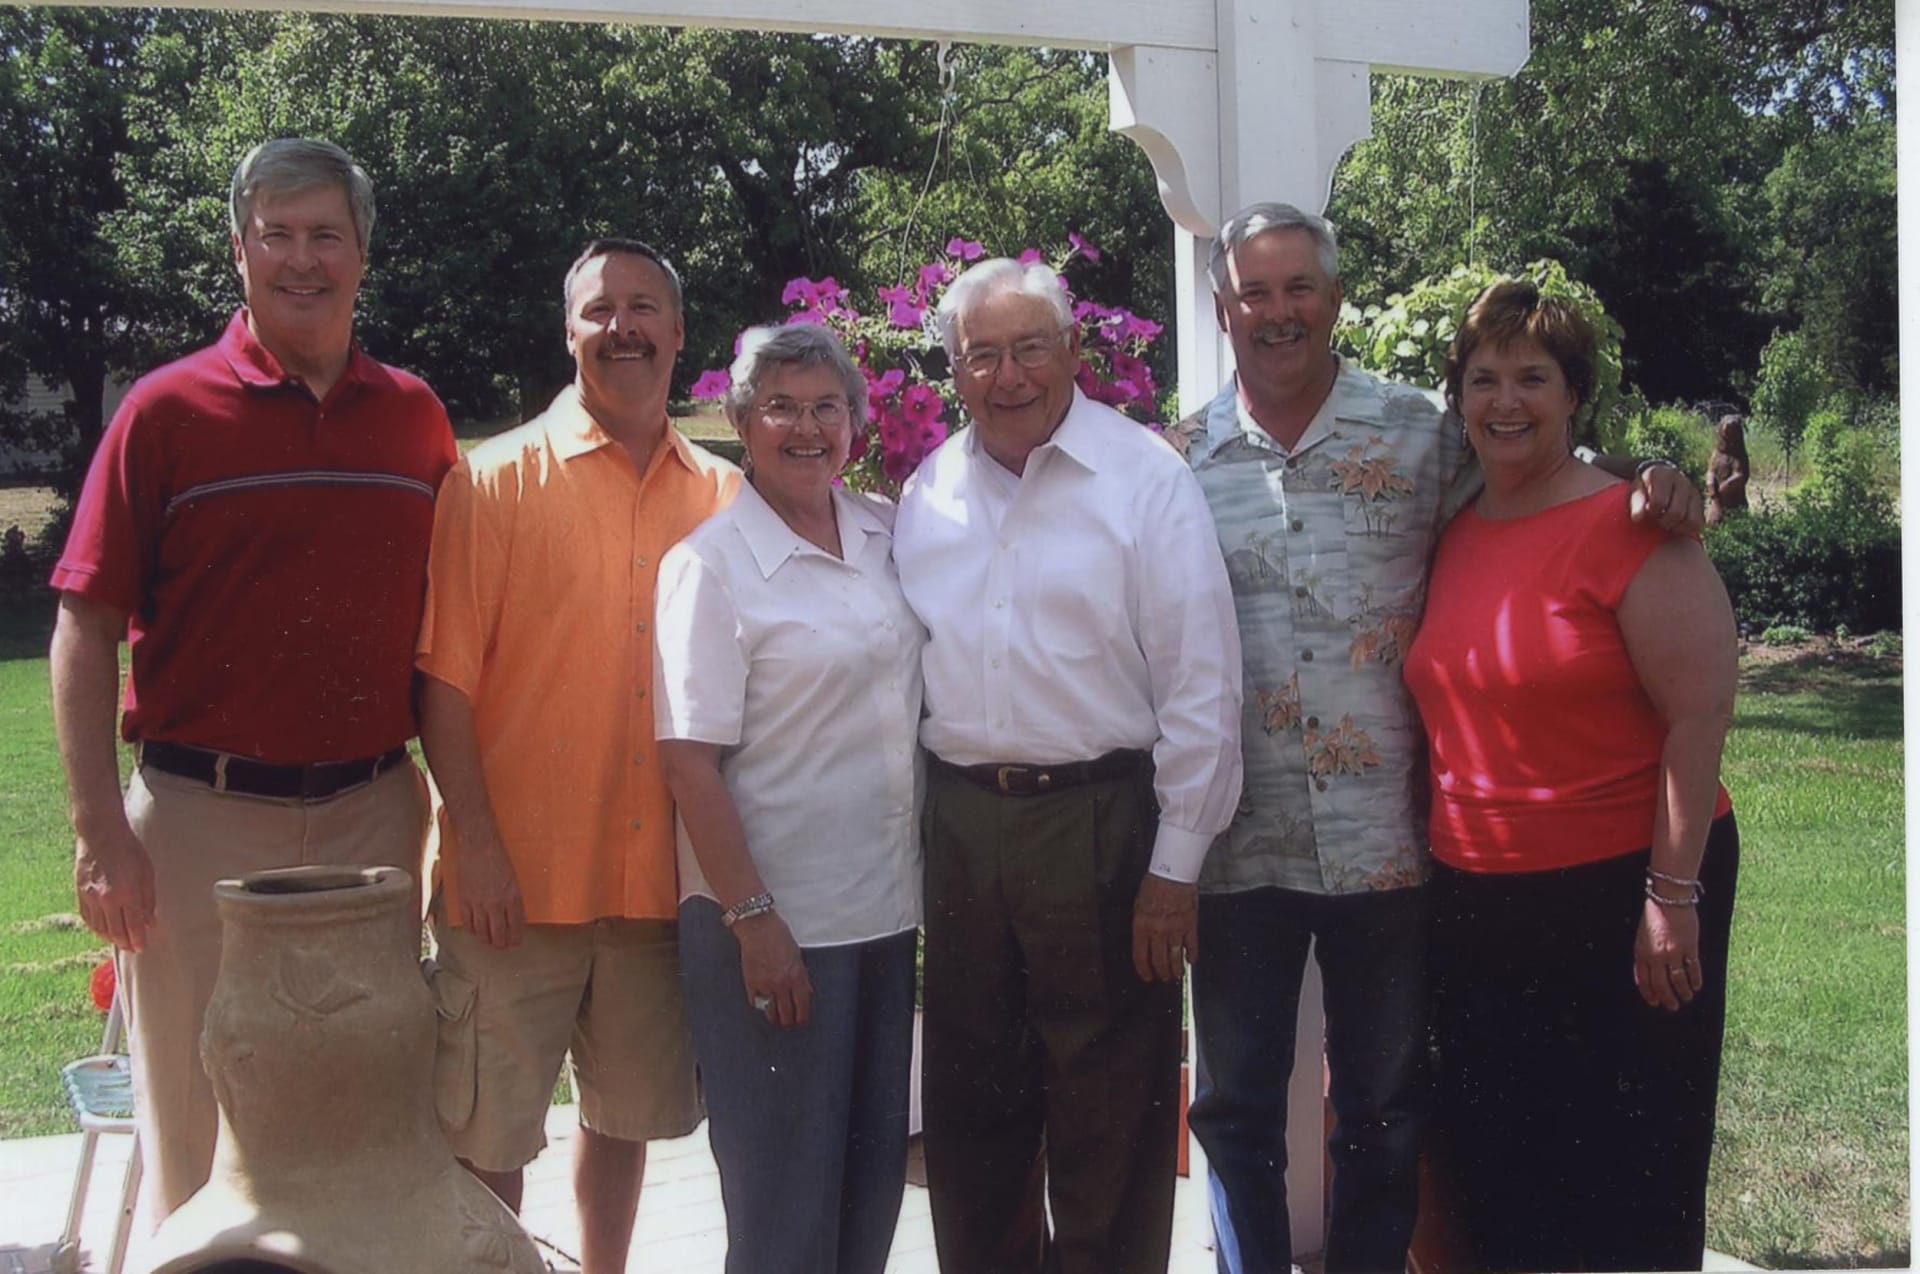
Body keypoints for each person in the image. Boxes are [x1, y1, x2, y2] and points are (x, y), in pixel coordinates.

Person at [1170, 202, 1704, 1274]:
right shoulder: (1177, 457)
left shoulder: (1420, 430)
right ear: (1222, 308)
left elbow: (1541, 480)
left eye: (1298, 288)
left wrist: (1645, 470)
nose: (1278, 312)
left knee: (1382, 1103)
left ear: (1333, 298)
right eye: (1254, 293)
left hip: (1391, 845)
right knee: (1235, 1109)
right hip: (1238, 844)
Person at [48, 137, 453, 1221]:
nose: (303, 259)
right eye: (278, 234)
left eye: (327, 234)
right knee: (194, 1127)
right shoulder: (166, 413)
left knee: (362, 1117)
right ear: (239, 252)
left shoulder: (415, 418)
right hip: (199, 823)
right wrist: (101, 833)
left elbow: (447, 636)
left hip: (373, 811)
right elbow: (83, 624)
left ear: (363, 254)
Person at [893, 256, 1245, 1274]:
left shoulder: (1144, 480)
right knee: (971, 1102)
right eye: (980, 355)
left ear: (1073, 352)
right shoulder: (929, 492)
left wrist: (1175, 867)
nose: (1007, 376)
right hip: (962, 826)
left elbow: (1201, 682)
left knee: (1109, 1109)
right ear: (953, 372)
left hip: (1101, 821)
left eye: (1028, 348)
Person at [1403, 279, 1739, 1272]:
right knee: (1500, 1167)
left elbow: (1699, 712)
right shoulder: (1457, 527)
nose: (1505, 402)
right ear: (1458, 397)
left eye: (1532, 378)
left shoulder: (1632, 527)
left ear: (1574, 395)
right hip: (1478, 896)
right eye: (1483, 379)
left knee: (1627, 1173)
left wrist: (1669, 896)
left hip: (1626, 886)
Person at [415, 238, 733, 1274]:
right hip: (514, 884)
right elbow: (444, 686)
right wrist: (480, 850)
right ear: (568, 329)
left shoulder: (724, 498)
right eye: (601, 309)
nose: (623, 327)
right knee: (486, 1133)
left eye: (646, 308)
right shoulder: (493, 479)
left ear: (680, 333)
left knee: (625, 1118)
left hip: (656, 881)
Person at [655, 323, 924, 1274]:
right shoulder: (708, 566)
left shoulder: (887, 532)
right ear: (740, 423)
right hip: (771, 929)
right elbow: (689, 763)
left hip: (884, 916)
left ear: (854, 420)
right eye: (780, 407)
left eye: (825, 407)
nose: (806, 428)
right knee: (782, 1207)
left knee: (867, 1188)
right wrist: (755, 921)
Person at [1706, 412, 1750, 525]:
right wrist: (1711, 487)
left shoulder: (1739, 455)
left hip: (1734, 503)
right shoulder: (1717, 453)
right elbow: (1710, 471)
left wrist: (1725, 486)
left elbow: (1740, 475)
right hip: (1716, 502)